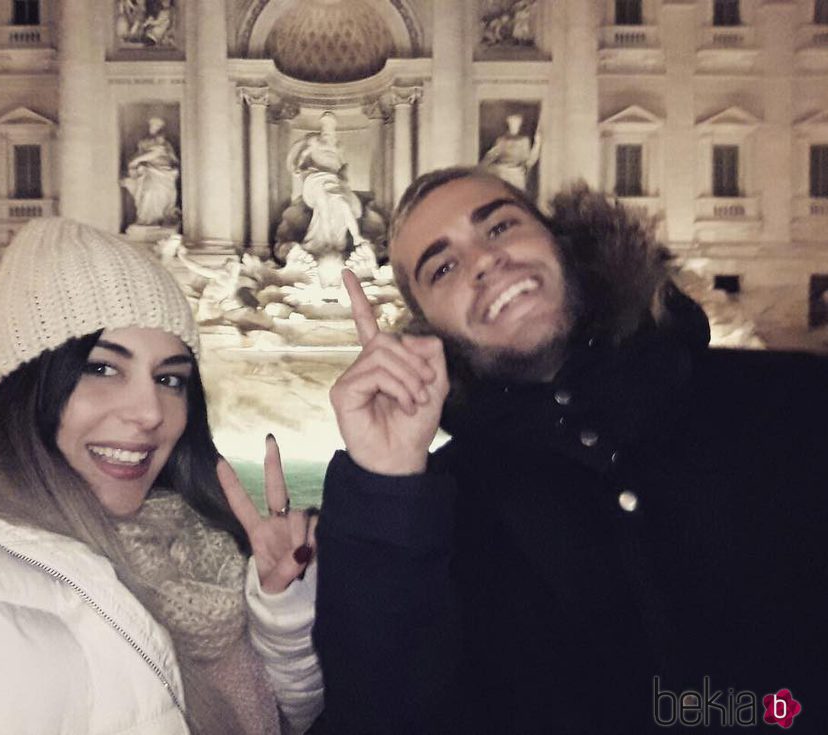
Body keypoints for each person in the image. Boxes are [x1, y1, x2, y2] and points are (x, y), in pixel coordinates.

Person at [313, 167, 828, 732]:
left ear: (564, 241)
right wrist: (385, 486)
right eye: (443, 267)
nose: (484, 261)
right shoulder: (438, 513)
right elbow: (380, 714)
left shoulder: (793, 400)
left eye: (500, 226)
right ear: (427, 328)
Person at [0, 218, 322, 734]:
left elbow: (280, 712)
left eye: (169, 378)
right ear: (26, 385)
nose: (149, 411)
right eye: (101, 368)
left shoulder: (195, 542)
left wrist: (280, 612)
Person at [286, 112, 368, 254]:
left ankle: (352, 238)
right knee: (323, 206)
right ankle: (325, 243)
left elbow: (342, 165)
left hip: (333, 181)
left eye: (330, 126)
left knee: (343, 205)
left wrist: (344, 180)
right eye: (325, 125)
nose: (327, 130)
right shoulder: (314, 141)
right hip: (316, 179)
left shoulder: (338, 146)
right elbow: (303, 154)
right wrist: (298, 168)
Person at [121, 117, 180, 227]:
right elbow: (140, 154)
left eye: (157, 126)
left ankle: (156, 219)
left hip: (163, 173)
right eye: (152, 125)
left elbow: (160, 153)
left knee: (156, 194)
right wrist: (136, 162)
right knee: (146, 194)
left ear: (161, 128)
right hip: (147, 171)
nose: (153, 127)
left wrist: (136, 161)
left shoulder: (164, 143)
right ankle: (146, 219)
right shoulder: (144, 142)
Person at [480, 112, 541, 192]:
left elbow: (529, 161)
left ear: (520, 125)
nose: (514, 126)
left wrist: (538, 143)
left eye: (516, 124)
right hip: (503, 173)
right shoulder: (502, 141)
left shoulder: (524, 141)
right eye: (512, 124)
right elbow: (491, 156)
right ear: (508, 125)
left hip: (517, 174)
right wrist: (483, 167)